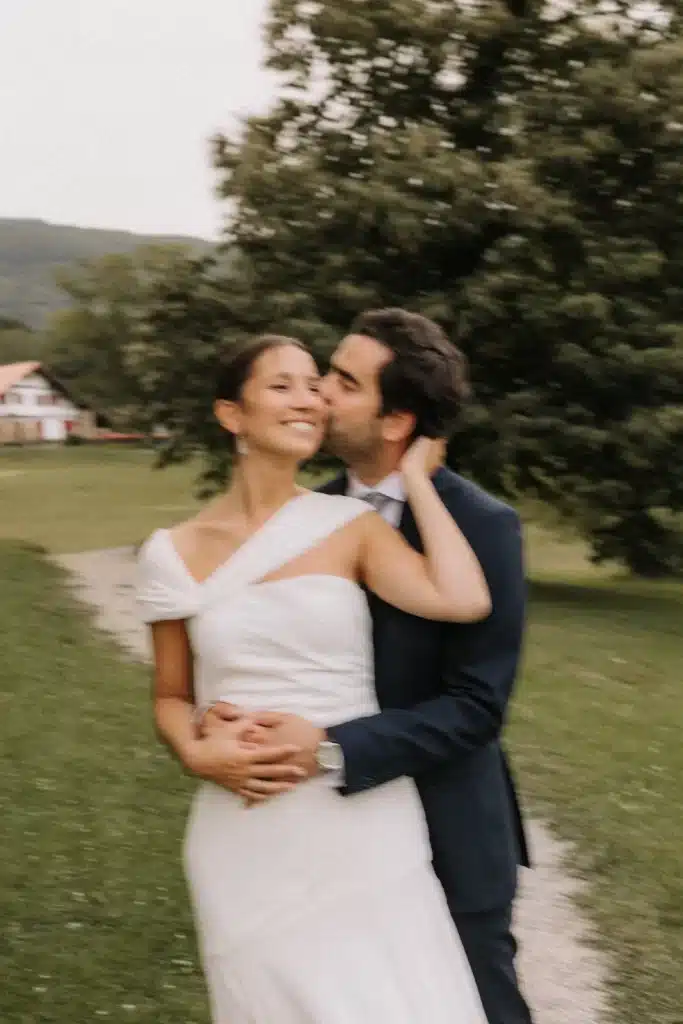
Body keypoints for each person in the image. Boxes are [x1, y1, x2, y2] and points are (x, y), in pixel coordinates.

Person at [137, 332, 492, 1024]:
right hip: (243, 825)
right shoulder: (169, 554)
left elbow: (462, 599)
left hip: (356, 817)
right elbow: (171, 695)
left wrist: (416, 479)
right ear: (230, 415)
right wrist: (194, 750)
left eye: (313, 384)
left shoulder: (348, 524)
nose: (307, 399)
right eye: (281, 385)